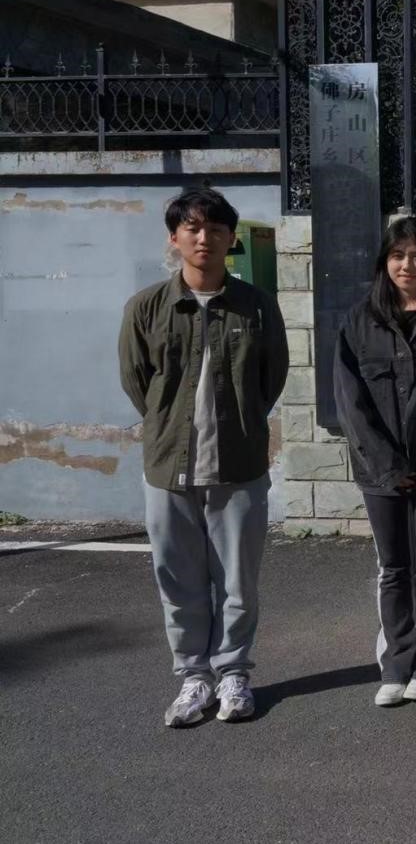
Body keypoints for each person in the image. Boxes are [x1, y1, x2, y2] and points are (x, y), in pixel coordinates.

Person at [117, 186, 287, 727]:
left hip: (238, 465)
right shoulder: (147, 307)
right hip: (169, 468)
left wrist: (241, 425)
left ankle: (233, 672)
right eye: (192, 228)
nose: (204, 238)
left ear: (231, 238)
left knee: (238, 581)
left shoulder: (256, 306)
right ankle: (194, 677)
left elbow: (271, 379)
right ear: (174, 237)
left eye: (215, 229)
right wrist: (170, 428)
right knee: (178, 580)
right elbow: (137, 382)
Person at [333, 217, 416, 707]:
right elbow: (350, 403)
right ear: (384, 262)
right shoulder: (358, 322)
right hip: (380, 471)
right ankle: (396, 663)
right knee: (393, 568)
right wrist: (389, 465)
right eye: (397, 255)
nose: (407, 265)